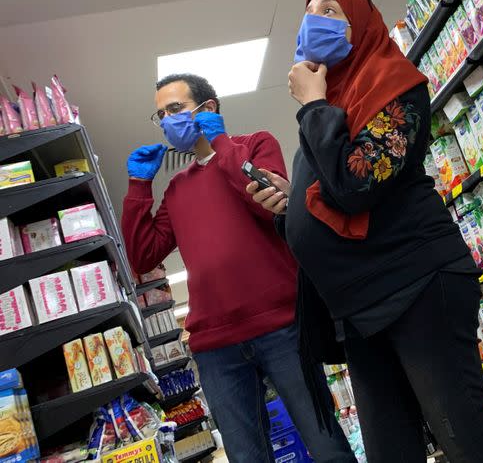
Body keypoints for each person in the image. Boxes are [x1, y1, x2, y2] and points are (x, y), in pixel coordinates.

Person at [247, 0, 483, 463]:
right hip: (361, 308)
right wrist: (290, 206)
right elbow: (330, 197)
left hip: (416, 283)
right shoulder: (334, 104)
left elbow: (358, 185)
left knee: (462, 433)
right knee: (389, 448)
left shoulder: (395, 84)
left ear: (362, 22)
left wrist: (312, 107)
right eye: (307, 16)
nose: (314, 22)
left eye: (329, 11)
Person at [121, 73, 355, 463]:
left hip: (282, 328)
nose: (166, 121)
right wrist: (137, 187)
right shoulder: (177, 188)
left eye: (175, 109)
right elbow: (143, 256)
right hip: (215, 347)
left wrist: (221, 143)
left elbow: (268, 206)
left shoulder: (256, 145)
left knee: (326, 443)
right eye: (160, 115)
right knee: (247, 457)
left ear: (207, 109)